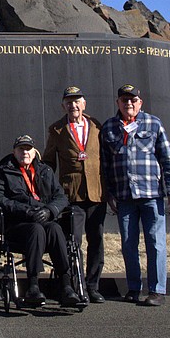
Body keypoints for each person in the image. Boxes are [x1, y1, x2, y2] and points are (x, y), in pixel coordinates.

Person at [100, 84, 170, 306]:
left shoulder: (153, 123)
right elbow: (105, 165)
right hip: (124, 197)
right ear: (117, 102)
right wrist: (109, 194)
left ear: (140, 102)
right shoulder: (108, 128)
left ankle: (157, 290)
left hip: (151, 194)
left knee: (155, 243)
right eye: (124, 100)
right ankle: (134, 288)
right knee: (128, 244)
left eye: (133, 100)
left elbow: (168, 159)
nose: (129, 104)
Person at [0, 134, 80, 307]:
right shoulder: (3, 171)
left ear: (34, 151)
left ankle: (67, 285)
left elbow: (61, 197)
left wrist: (49, 210)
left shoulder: (45, 171)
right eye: (21, 149)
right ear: (14, 151)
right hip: (17, 224)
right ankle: (33, 285)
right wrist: (26, 210)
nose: (25, 152)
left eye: (28, 148)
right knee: (35, 229)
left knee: (55, 229)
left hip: (44, 219)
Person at [43, 85, 107, 303]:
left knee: (96, 240)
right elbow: (48, 163)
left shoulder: (97, 126)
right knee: (73, 242)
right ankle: (73, 285)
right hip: (71, 197)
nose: (73, 105)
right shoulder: (56, 130)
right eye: (69, 102)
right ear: (63, 106)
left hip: (96, 194)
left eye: (77, 101)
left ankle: (93, 285)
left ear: (84, 104)